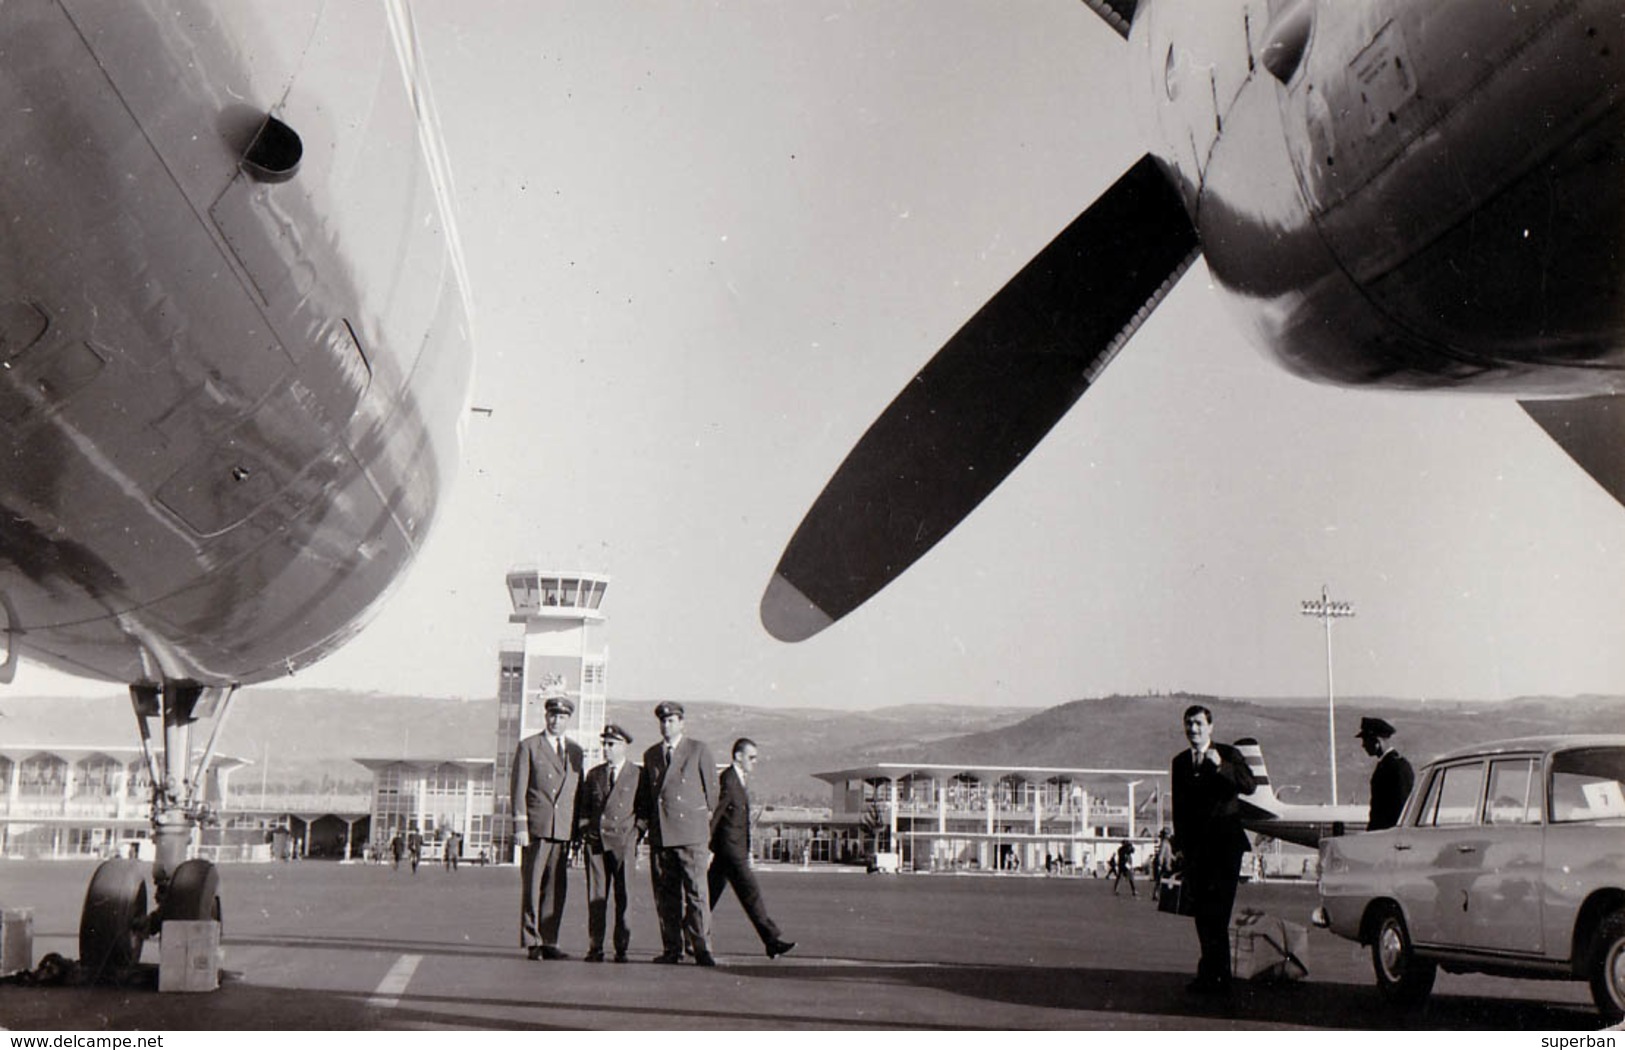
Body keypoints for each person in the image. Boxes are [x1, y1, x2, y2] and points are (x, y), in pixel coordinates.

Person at [1171, 703, 1257, 995]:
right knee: (1201, 916)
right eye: (1188, 724)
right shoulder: (1180, 762)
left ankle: (1219, 979)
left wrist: (1220, 765)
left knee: (1217, 914)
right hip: (1196, 852)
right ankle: (1211, 975)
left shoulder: (1229, 754)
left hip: (1224, 849)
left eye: (1197, 723)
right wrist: (1178, 846)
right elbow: (1179, 808)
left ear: (1210, 726)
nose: (1192, 729)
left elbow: (1249, 785)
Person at [634, 701, 718, 966]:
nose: (666, 725)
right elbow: (648, 797)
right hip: (662, 835)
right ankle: (672, 948)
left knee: (696, 894)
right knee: (666, 896)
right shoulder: (651, 755)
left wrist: (704, 831)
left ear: (682, 723)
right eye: (663, 721)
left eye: (671, 721)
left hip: (691, 835)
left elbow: (713, 794)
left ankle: (702, 948)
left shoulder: (698, 750)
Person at [708, 738, 796, 959]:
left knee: (707, 898)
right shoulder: (728, 780)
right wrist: (705, 845)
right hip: (730, 850)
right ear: (738, 756)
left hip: (729, 850)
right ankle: (771, 940)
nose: (754, 762)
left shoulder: (737, 779)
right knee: (751, 894)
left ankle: (684, 936)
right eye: (751, 757)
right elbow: (716, 814)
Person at [512, 695, 584, 960]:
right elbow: (518, 788)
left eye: (562, 717)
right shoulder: (529, 746)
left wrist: (576, 831)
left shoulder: (576, 751)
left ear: (568, 720)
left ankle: (550, 940)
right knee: (532, 885)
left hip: (562, 829)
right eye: (553, 715)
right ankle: (533, 940)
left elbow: (578, 793)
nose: (557, 721)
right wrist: (520, 825)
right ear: (546, 717)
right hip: (536, 826)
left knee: (556, 887)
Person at [576, 723, 640, 963]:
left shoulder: (636, 775)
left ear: (624, 746)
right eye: (604, 743)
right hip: (596, 844)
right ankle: (595, 947)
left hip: (623, 843)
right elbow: (584, 809)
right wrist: (585, 831)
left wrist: (636, 835)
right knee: (596, 897)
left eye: (611, 744)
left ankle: (621, 947)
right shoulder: (594, 774)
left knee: (624, 897)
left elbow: (643, 812)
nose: (606, 749)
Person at [1357, 716, 1415, 831]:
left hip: (1389, 836)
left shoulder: (1396, 767)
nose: (1363, 745)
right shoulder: (1389, 764)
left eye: (1365, 740)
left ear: (1376, 741)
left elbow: (1401, 806)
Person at [1151, 828, 1174, 902]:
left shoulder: (1166, 843)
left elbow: (1169, 854)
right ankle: (1159, 895)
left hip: (1167, 864)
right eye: (1168, 834)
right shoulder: (1164, 843)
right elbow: (1161, 855)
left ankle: (1156, 894)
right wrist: (1160, 864)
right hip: (1165, 865)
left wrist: (1175, 857)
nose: (1170, 835)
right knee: (1164, 880)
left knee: (1160, 880)